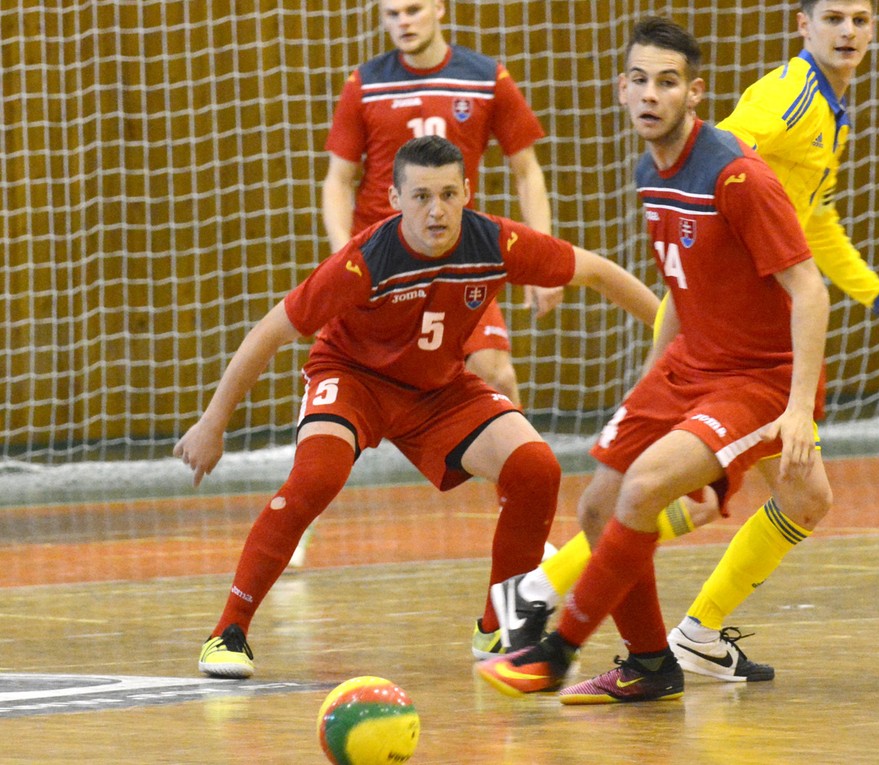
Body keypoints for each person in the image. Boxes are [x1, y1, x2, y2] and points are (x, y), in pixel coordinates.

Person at [486, 0, 879, 683]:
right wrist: (654, 376)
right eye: (834, 17)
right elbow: (724, 173)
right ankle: (594, 618)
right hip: (715, 344)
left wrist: (877, 295)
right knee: (651, 496)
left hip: (759, 356)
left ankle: (566, 620)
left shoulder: (813, 119)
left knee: (733, 495)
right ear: (801, 25)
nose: (848, 32)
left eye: (861, 19)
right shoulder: (782, 102)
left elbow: (805, 223)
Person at [180, 135, 659, 679]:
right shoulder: (364, 262)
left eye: (450, 195)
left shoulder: (494, 242)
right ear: (395, 199)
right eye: (423, 196)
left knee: (536, 468)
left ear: (468, 193)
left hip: (436, 390)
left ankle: (500, 624)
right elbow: (270, 331)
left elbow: (600, 273)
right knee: (316, 477)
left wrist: (676, 332)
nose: (437, 210)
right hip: (352, 378)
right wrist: (212, 422)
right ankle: (228, 630)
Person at [293, 0, 560, 572]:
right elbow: (338, 180)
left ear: (439, 8)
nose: (402, 22)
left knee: (496, 371)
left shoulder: (487, 77)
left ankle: (520, 515)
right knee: (343, 405)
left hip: (454, 262)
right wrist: (346, 250)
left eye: (413, 9)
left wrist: (541, 247)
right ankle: (301, 518)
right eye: (390, 14)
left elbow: (526, 167)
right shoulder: (364, 84)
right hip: (382, 269)